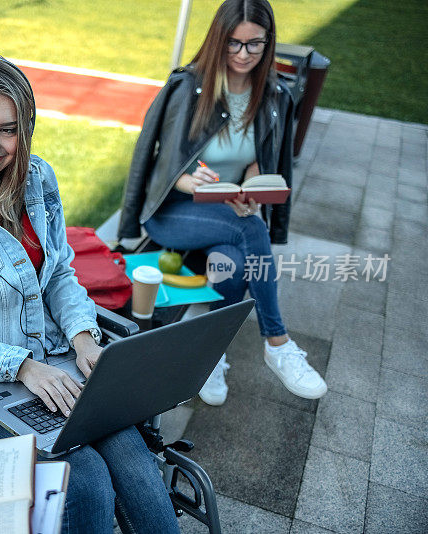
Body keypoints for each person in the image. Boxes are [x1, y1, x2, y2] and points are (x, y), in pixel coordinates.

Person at [0, 55, 180, 534]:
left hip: (58, 362)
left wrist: (85, 339)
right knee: (85, 482)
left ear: (26, 127)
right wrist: (23, 366)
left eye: (8, 130)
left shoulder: (38, 179)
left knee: (135, 462)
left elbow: (62, 272)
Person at [118, 0, 327, 406]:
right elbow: (152, 158)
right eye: (234, 44)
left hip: (227, 214)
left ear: (268, 43)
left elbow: (259, 159)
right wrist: (186, 178)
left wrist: (251, 188)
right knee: (250, 230)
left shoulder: (273, 97)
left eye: (255, 45)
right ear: (218, 39)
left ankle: (212, 355)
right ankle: (277, 340)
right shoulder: (187, 88)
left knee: (231, 261)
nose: (244, 55)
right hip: (174, 211)